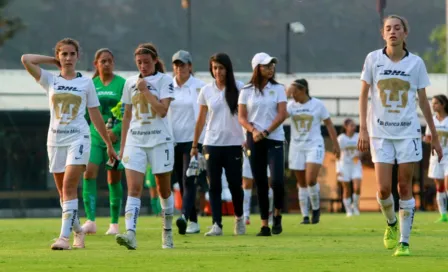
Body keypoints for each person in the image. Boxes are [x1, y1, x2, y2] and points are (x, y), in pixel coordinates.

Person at [21, 38, 118, 250]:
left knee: (69, 187)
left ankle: (63, 238)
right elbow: (26, 59)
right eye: (63, 54)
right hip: (55, 140)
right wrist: (52, 60)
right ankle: (78, 232)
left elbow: (95, 116)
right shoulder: (50, 80)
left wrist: (107, 144)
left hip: (79, 138)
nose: (67, 58)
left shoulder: (86, 83)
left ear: (78, 56)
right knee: (64, 195)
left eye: (71, 54)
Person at [358, 15, 443, 256]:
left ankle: (404, 242)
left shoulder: (416, 63)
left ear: (405, 33)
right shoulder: (373, 59)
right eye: (388, 28)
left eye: (397, 28)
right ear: (382, 34)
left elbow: (424, 102)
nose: (393, 32)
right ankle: (392, 223)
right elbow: (363, 95)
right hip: (380, 134)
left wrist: (434, 136)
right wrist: (363, 128)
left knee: (404, 186)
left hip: (408, 134)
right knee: (384, 190)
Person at [116, 43, 175, 250]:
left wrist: (146, 91)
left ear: (155, 61)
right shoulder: (130, 82)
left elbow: (162, 111)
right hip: (136, 141)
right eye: (139, 63)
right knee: (133, 188)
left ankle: (167, 232)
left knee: (163, 189)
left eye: (147, 62)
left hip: (160, 140)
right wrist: (122, 147)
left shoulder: (165, 80)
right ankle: (130, 233)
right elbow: (126, 116)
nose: (143, 66)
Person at [191, 52, 246, 236]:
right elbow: (200, 119)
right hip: (211, 143)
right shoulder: (206, 90)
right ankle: (217, 224)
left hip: (234, 143)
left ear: (227, 69)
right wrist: (194, 145)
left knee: (234, 185)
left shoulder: (239, 88)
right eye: (214, 68)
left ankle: (239, 218)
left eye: (221, 68)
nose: (217, 72)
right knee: (213, 185)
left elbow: (246, 116)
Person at [238, 52, 287, 236]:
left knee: (277, 181)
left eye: (272, 65)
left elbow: (282, 114)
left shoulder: (279, 88)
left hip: (274, 138)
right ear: (257, 68)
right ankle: (265, 225)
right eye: (266, 65)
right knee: (260, 183)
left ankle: (278, 215)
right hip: (254, 139)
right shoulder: (246, 90)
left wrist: (266, 131)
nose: (271, 68)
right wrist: (253, 131)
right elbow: (242, 117)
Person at [82, 48, 126, 235]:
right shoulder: (91, 84)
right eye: (103, 61)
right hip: (95, 136)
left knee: (113, 177)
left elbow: (127, 111)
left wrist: (116, 131)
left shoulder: (122, 84)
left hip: (115, 139)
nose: (106, 64)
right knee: (88, 173)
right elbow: (85, 114)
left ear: (113, 62)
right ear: (96, 64)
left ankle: (114, 223)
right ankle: (90, 220)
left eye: (109, 60)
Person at [286, 79, 340, 225]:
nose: (292, 94)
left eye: (294, 91)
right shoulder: (290, 106)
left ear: (303, 90)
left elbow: (329, 124)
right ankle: (305, 215)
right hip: (297, 147)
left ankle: (315, 209)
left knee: (310, 179)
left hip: (314, 145)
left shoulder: (317, 104)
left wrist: (336, 144)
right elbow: (278, 117)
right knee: (301, 182)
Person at [167, 50, 207, 235]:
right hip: (173, 141)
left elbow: (202, 117)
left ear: (190, 66)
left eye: (182, 65)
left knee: (188, 179)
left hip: (193, 142)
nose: (179, 68)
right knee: (181, 183)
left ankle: (183, 216)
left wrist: (199, 143)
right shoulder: (168, 86)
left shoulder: (199, 87)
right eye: (176, 65)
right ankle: (193, 221)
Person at [423, 95, 448, 223]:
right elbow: (428, 137)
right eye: (432, 103)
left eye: (436, 103)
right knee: (440, 186)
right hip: (436, 158)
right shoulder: (431, 120)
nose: (434, 106)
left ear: (443, 104)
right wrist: (427, 139)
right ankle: (443, 214)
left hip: (447, 156)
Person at [336, 118, 362, 217]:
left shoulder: (358, 136)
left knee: (357, 187)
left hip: (355, 165)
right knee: (347, 189)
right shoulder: (341, 138)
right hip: (344, 165)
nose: (353, 127)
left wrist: (361, 154)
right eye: (351, 125)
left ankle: (355, 206)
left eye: (354, 125)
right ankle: (348, 210)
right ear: (345, 127)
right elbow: (337, 155)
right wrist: (338, 169)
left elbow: (363, 149)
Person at [242, 147, 273, 225]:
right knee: (246, 185)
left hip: (266, 150)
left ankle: (269, 214)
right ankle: (246, 215)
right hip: (248, 151)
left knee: (268, 185)